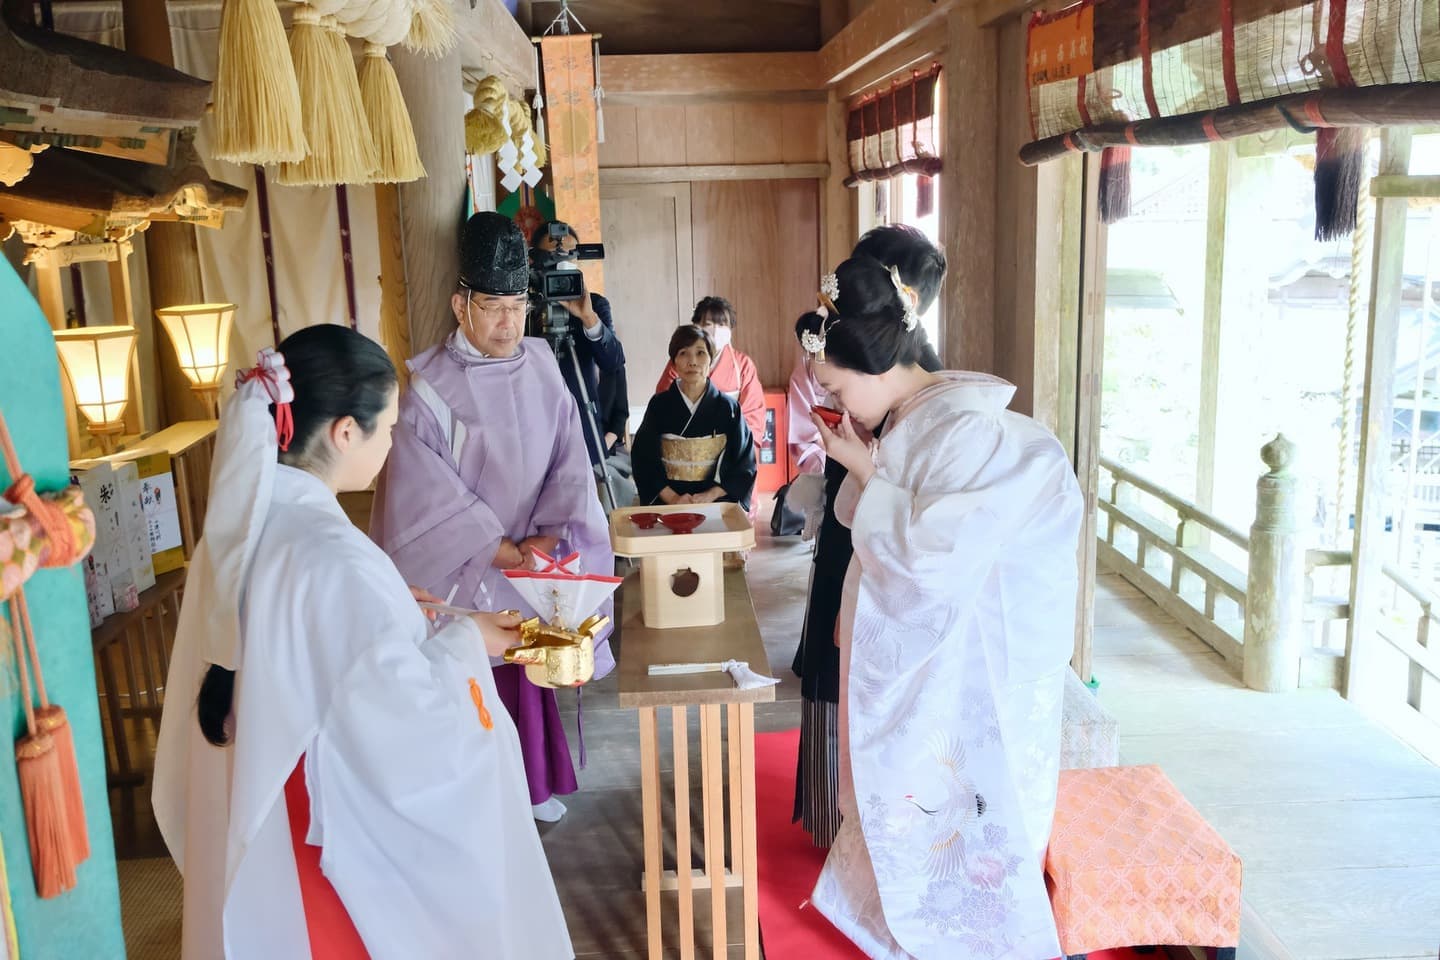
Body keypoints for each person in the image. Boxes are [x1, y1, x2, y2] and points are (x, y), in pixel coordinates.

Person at [151, 326, 573, 960]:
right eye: (390, 426)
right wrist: (465, 640)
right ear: (346, 431)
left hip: (256, 785)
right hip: (312, 826)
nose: (393, 443)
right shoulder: (334, 558)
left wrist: (397, 613)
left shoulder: (247, 526)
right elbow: (407, 730)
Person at [795, 257, 1081, 959]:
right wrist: (870, 469)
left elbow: (932, 564)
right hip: (955, 645)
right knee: (926, 798)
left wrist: (866, 470)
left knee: (978, 802)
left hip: (986, 656)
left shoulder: (963, 430)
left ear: (870, 363)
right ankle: (921, 906)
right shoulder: (926, 419)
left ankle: (975, 926)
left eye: (833, 386)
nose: (834, 403)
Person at [369, 211, 613, 824]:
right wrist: (501, 549)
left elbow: (569, 458)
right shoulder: (428, 387)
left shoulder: (541, 363)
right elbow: (423, 492)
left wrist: (550, 537)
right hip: (468, 559)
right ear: (460, 305)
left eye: (517, 304)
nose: (509, 321)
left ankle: (532, 786)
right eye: (492, 306)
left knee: (528, 665)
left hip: (535, 545)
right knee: (473, 664)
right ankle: (479, 798)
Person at [789, 225, 948, 849]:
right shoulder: (870, 371)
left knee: (852, 677)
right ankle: (831, 819)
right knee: (830, 664)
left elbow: (924, 532)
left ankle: (853, 827)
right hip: (851, 529)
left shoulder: (918, 387)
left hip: (880, 552)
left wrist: (859, 464)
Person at [530, 221, 627, 468]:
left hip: (583, 423)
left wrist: (587, 317)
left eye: (568, 258)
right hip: (533, 424)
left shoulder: (594, 304)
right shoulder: (523, 308)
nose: (561, 266)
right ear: (535, 261)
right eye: (553, 258)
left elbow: (614, 362)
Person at [632, 325, 756, 509]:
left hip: (715, 503)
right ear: (673, 363)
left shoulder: (728, 409)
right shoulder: (659, 405)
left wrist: (710, 495)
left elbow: (744, 463)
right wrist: (673, 499)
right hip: (668, 503)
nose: (692, 361)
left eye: (700, 353)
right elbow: (643, 458)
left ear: (710, 360)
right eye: (683, 353)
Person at [654, 297, 765, 444]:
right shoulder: (680, 361)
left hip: (730, 444)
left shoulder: (743, 365)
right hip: (684, 443)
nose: (715, 330)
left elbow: (753, 413)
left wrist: (738, 445)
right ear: (696, 326)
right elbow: (663, 404)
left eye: (722, 324)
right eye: (708, 324)